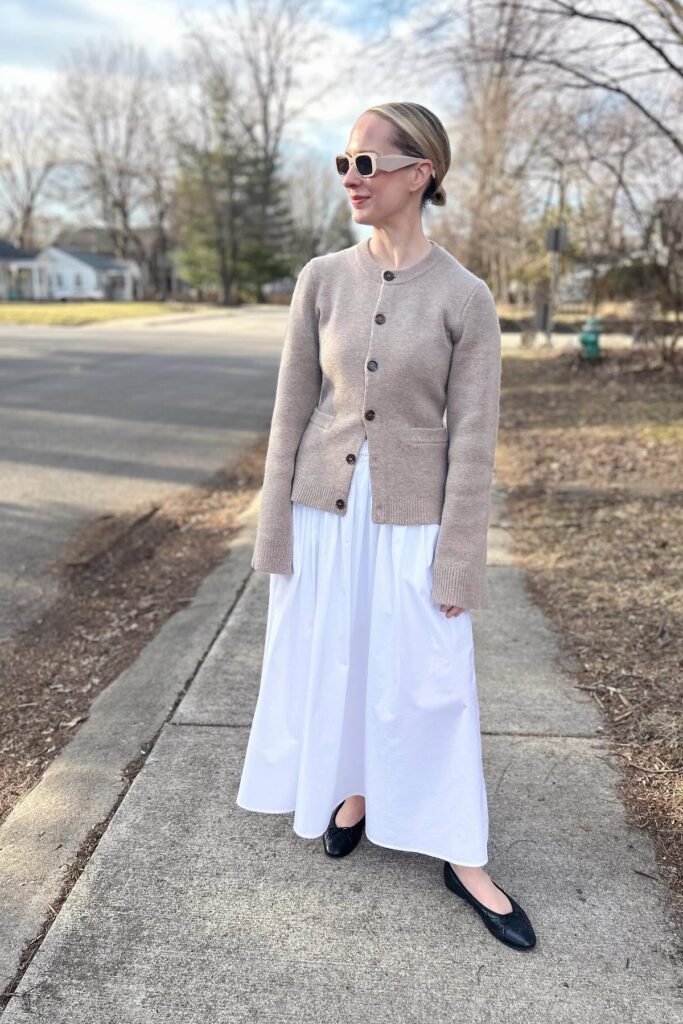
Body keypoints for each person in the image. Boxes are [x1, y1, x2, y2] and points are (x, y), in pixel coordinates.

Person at [236, 102, 536, 952]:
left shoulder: (465, 298)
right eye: (343, 162)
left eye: (365, 163)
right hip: (321, 509)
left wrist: (459, 563)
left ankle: (461, 854)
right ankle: (354, 794)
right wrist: (273, 534)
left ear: (419, 172)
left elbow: (473, 444)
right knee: (339, 658)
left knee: (432, 677)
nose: (349, 178)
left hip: (412, 515)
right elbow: (291, 408)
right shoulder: (321, 279)